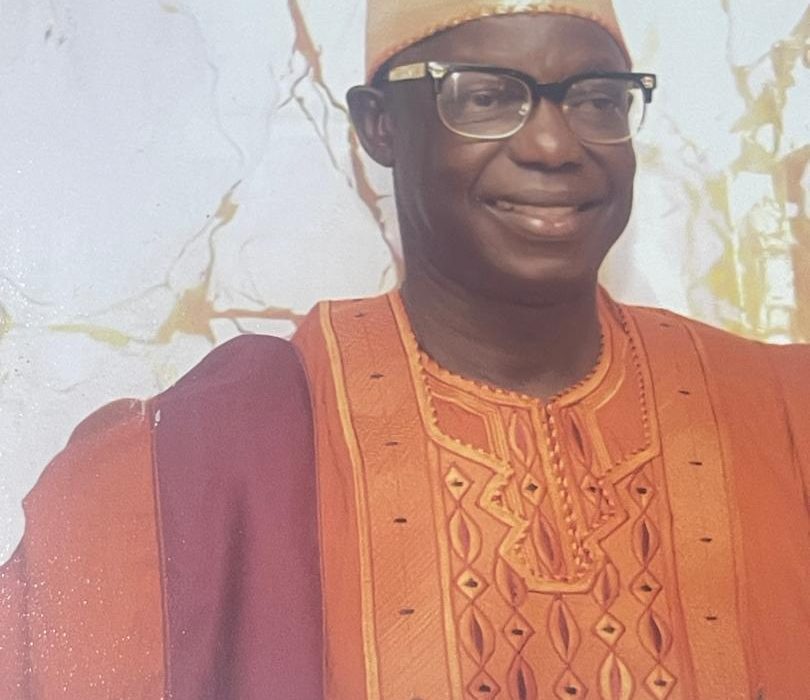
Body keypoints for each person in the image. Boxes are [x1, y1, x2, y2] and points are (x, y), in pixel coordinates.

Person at [2, 0, 809, 697]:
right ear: (378, 125)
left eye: (597, 99)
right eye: (487, 97)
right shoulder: (216, 453)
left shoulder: (784, 417)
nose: (555, 144)